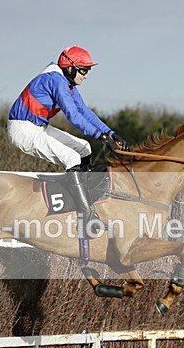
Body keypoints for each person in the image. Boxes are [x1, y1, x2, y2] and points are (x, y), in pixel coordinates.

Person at [7, 45, 128, 226]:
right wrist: (100, 136)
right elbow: (73, 115)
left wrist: (110, 133)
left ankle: (85, 197)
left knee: (84, 148)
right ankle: (85, 215)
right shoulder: (56, 81)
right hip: (22, 129)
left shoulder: (66, 83)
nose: (86, 75)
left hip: (38, 127)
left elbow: (84, 111)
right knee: (72, 158)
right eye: (84, 70)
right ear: (70, 67)